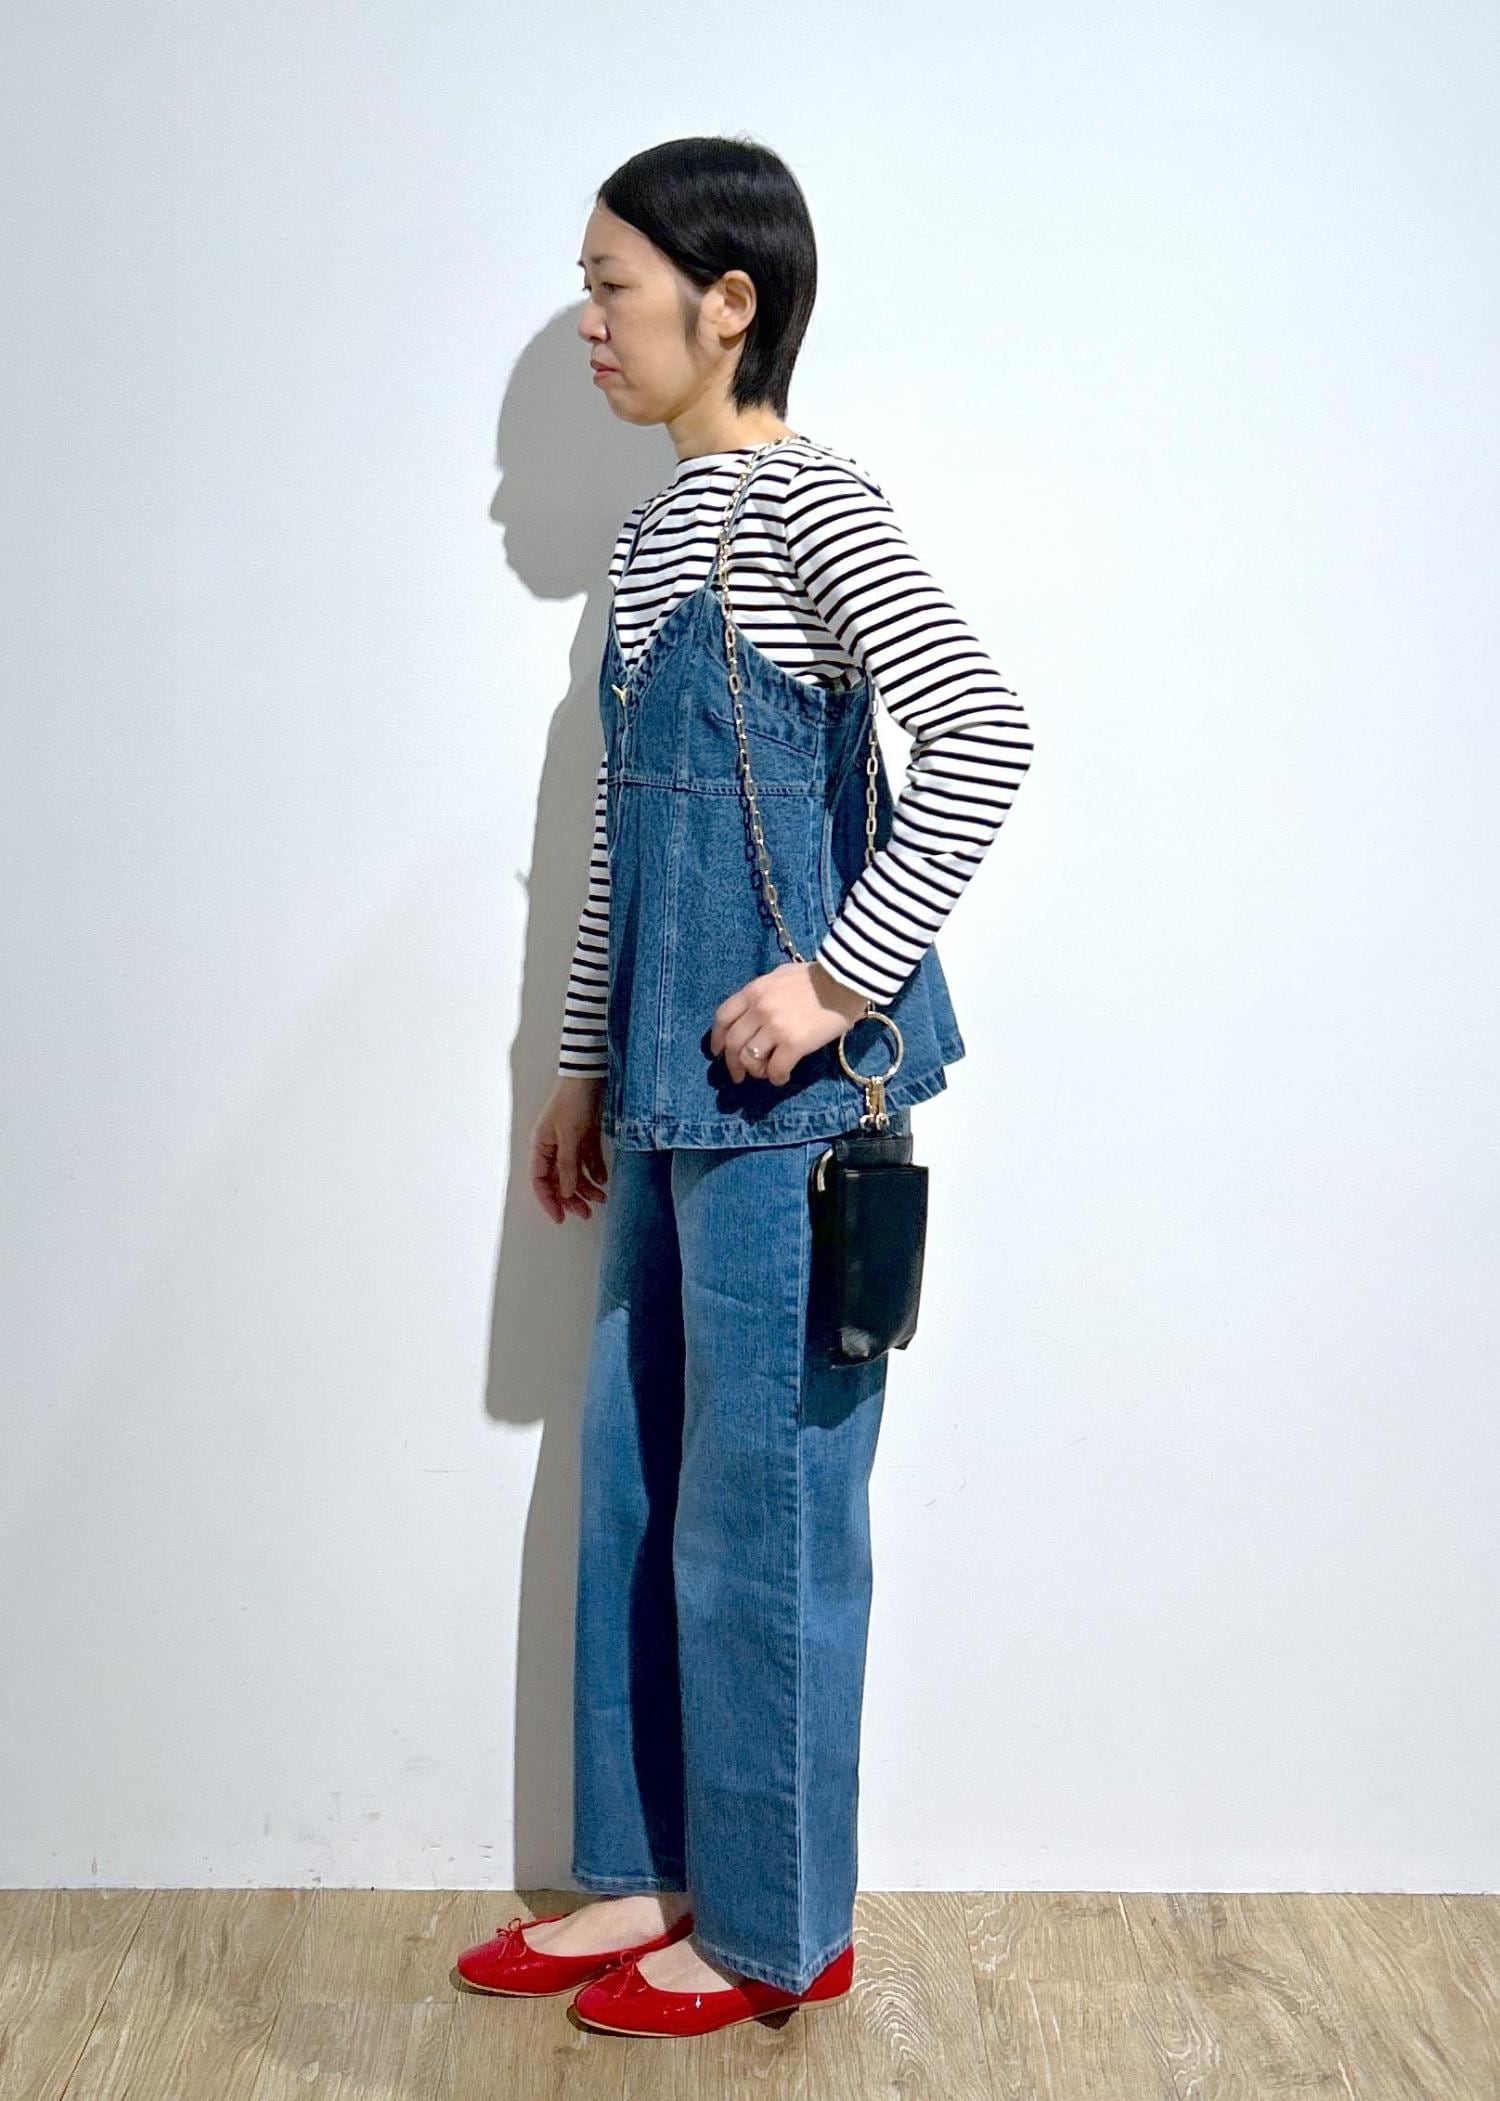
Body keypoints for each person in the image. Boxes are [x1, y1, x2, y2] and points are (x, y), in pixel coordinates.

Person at [460, 135, 1034, 2039]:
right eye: (585, 286)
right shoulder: (648, 541)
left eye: (610, 286)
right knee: (636, 1492)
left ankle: (781, 1927)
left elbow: (984, 733)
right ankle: (645, 1870)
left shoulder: (813, 509)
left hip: (794, 1123)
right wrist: (579, 1057)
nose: (590, 323)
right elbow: (615, 843)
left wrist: (838, 975)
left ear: (729, 303)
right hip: (658, 1099)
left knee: (765, 1514)